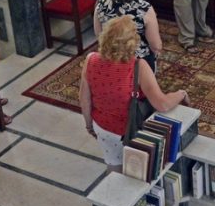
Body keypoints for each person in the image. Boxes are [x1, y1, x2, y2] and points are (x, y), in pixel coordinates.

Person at [79, 16, 188, 170]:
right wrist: (180, 94)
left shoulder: (91, 60)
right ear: (132, 42)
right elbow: (162, 104)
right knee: (139, 171)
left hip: (102, 128)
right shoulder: (138, 66)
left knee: (115, 171)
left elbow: (84, 99)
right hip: (131, 130)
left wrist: (89, 124)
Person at [94, 0, 162, 71]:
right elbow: (155, 45)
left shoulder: (102, 2)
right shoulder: (144, 8)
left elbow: (98, 35)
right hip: (138, 63)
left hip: (110, 58)